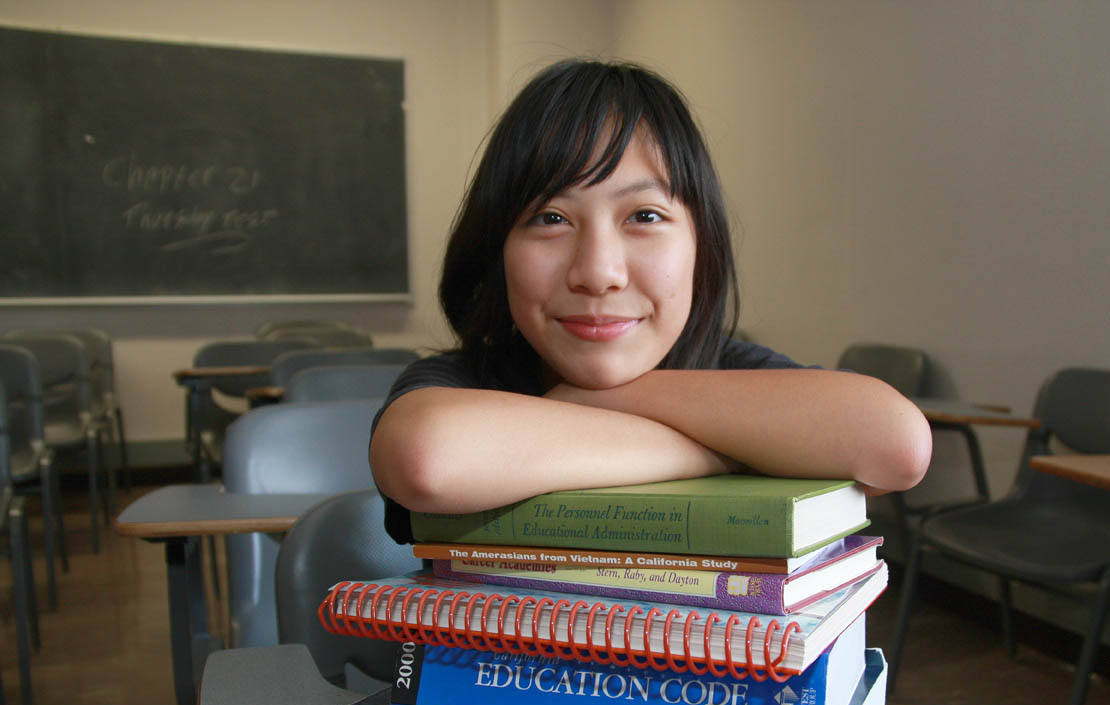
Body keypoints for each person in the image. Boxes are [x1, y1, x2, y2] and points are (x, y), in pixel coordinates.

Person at [371, 59, 931, 542]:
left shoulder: (728, 369)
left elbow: (896, 445)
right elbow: (428, 458)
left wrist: (593, 402)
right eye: (550, 218)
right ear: (498, 250)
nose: (597, 273)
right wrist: (726, 450)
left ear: (700, 247)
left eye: (644, 216)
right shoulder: (462, 381)